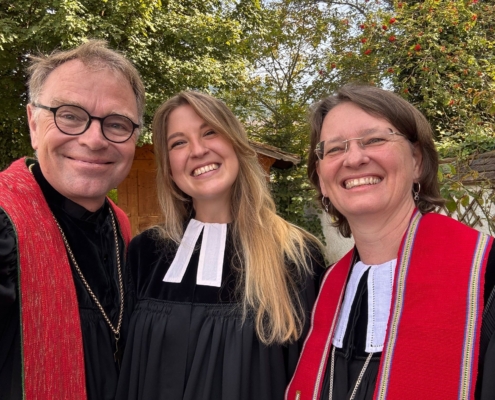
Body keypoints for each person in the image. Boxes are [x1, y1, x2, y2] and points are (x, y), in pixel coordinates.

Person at [286, 84, 495, 400]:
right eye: (335, 148)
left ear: (417, 162)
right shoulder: (320, 287)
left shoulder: (486, 275)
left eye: (375, 140)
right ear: (322, 181)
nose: (354, 158)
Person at [115, 91, 325, 400]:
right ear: (169, 167)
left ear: (236, 144)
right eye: (178, 143)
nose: (197, 150)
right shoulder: (145, 253)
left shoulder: (296, 255)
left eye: (209, 132)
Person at [0, 40, 145, 400]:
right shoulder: (4, 223)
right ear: (34, 123)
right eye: (69, 115)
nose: (94, 140)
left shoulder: (122, 229)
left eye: (116, 123)